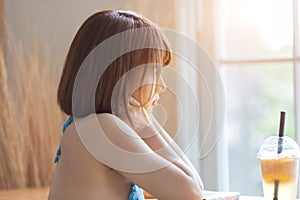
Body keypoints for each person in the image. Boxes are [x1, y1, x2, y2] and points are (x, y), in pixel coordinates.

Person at [48, 10, 203, 200]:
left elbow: (194, 185)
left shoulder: (83, 126)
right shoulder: (104, 128)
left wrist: (144, 120)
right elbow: (192, 193)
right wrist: (147, 125)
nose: (161, 86)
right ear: (123, 75)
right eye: (154, 72)